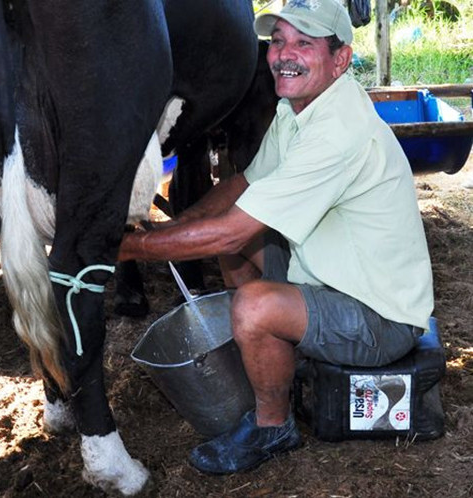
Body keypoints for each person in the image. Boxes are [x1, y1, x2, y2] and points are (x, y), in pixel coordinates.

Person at [118, 0, 433, 474]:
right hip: (331, 270)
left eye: (304, 44)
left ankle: (273, 427)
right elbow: (241, 184)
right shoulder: (298, 106)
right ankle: (271, 358)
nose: (284, 54)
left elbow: (228, 233)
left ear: (341, 59)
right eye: (279, 40)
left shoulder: (339, 128)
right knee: (242, 251)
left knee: (253, 303)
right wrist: (173, 229)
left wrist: (125, 247)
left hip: (379, 316)